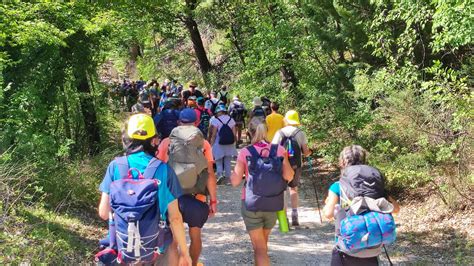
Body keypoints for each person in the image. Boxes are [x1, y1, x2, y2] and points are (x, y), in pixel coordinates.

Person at [97, 114, 192, 266]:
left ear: (126, 138)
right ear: (153, 140)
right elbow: (175, 218)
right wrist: (185, 253)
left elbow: (103, 212)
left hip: (122, 246)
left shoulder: (115, 166)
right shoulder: (163, 170)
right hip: (155, 247)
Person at [157, 108, 217, 266]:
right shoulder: (203, 144)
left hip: (172, 199)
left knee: (174, 240)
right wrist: (213, 201)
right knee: (195, 235)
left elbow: (158, 171)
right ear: (196, 123)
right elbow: (210, 174)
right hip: (197, 197)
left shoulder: (166, 142)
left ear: (178, 122)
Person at [323, 145, 400, 266]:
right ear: (364, 160)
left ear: (342, 162)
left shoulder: (337, 186)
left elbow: (328, 214)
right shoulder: (375, 186)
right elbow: (396, 209)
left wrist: (329, 203)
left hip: (345, 250)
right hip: (372, 249)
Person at [230, 122, 294, 266]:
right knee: (262, 246)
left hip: (252, 204)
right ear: (266, 131)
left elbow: (235, 181)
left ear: (249, 132)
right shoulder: (279, 150)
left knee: (259, 248)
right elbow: (289, 176)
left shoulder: (245, 152)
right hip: (273, 204)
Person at [272, 110, 311, 226]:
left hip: (281, 164)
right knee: (293, 188)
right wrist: (310, 152)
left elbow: (273, 149)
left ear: (286, 120)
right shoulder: (301, 133)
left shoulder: (280, 132)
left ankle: (284, 219)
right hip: (296, 165)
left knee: (282, 191)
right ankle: (295, 215)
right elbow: (306, 152)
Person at [209, 105, 238, 185]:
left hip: (219, 144)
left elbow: (214, 134)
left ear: (219, 112)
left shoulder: (216, 120)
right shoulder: (231, 120)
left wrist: (211, 144)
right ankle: (228, 179)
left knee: (218, 161)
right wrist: (234, 143)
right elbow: (234, 134)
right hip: (229, 143)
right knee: (228, 162)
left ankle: (220, 175)